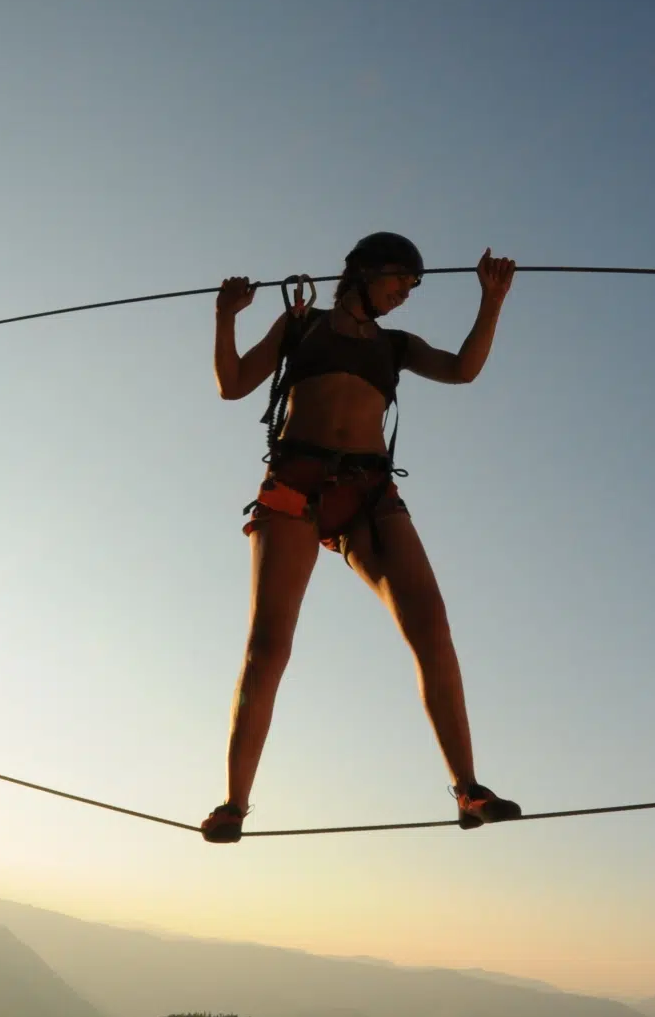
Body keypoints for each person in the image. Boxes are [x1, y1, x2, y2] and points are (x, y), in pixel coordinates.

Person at [200, 233, 521, 843]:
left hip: (371, 496)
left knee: (432, 627)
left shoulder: (395, 346)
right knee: (268, 647)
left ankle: (469, 789)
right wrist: (224, 318)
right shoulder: (302, 326)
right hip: (295, 489)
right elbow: (233, 383)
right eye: (401, 280)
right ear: (365, 271)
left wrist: (493, 301)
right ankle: (234, 804)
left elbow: (462, 370)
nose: (405, 294)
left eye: (413, 288)